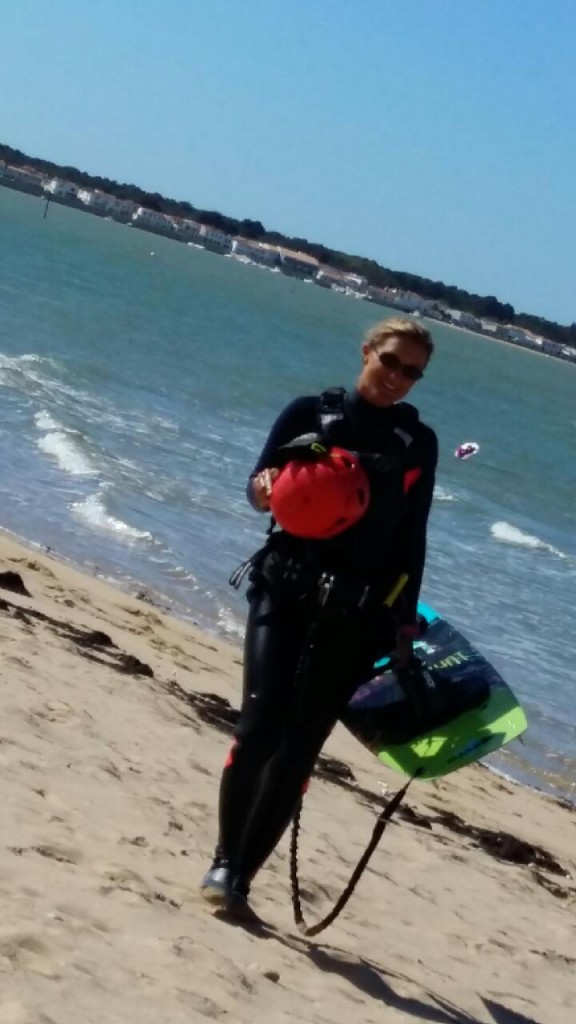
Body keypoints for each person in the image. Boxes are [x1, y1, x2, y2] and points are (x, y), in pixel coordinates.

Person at [201, 316, 438, 920]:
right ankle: (224, 861)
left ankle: (241, 881)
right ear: (367, 352)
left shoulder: (418, 444)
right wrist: (265, 488)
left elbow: (411, 540)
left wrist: (405, 626)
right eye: (390, 361)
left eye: (412, 372)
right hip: (284, 590)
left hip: (356, 616)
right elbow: (256, 489)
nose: (398, 377)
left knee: (299, 751)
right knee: (259, 730)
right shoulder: (307, 413)